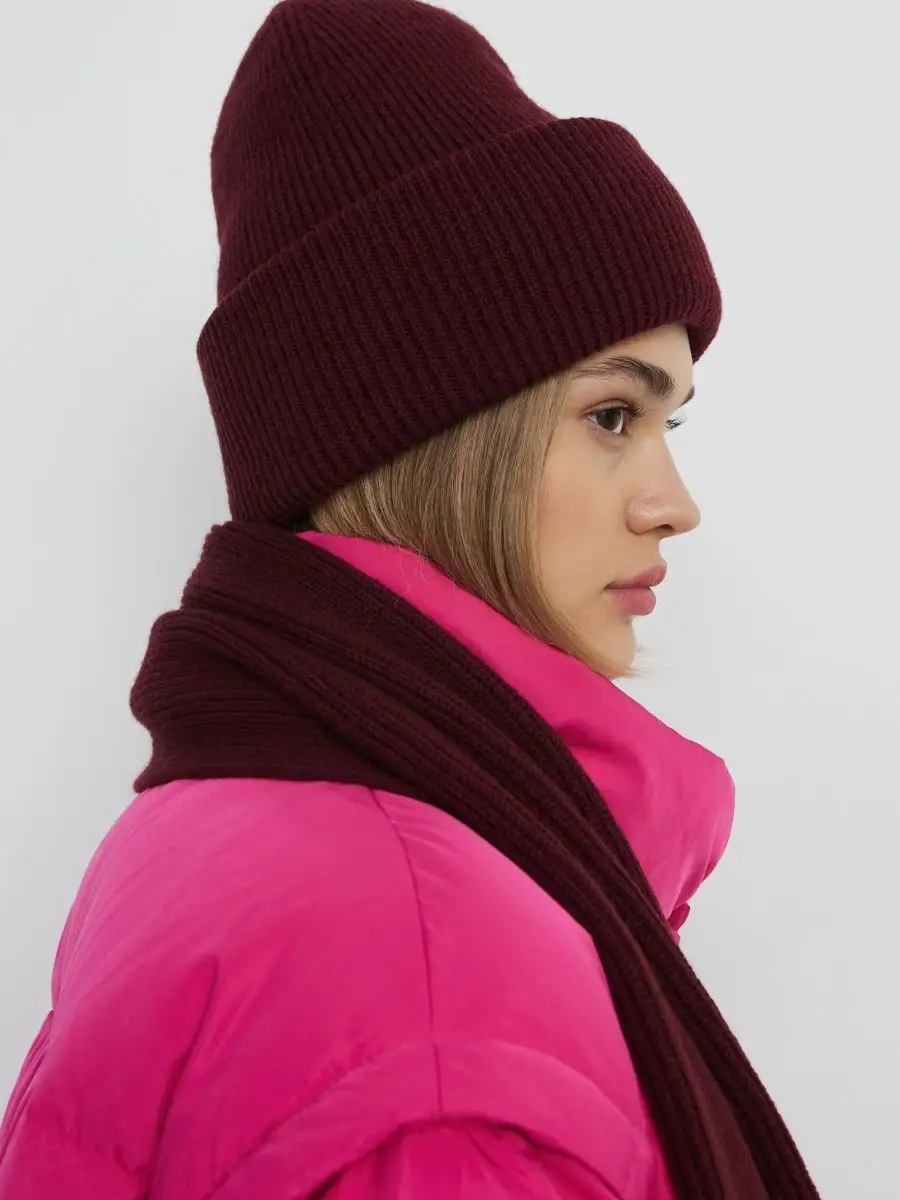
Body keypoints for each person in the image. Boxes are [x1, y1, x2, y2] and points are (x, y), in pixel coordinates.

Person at [0, 1, 819, 1196]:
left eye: (668, 425)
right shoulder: (436, 1012)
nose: (673, 504)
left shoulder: (218, 813)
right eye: (612, 416)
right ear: (434, 434)